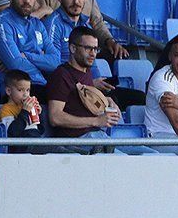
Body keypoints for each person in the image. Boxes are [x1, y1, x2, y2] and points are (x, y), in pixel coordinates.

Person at [44, 0, 145, 110]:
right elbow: (54, 66)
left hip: (87, 86)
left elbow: (92, 61)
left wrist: (98, 81)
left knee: (140, 98)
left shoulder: (86, 25)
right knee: (109, 105)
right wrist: (89, 82)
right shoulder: (53, 23)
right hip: (67, 88)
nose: (76, 1)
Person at [47, 27, 152, 155]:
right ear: (73, 48)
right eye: (88, 48)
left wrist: (107, 100)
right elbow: (55, 117)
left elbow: (84, 100)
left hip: (98, 137)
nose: (93, 54)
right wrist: (96, 121)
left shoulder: (87, 72)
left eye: (96, 49)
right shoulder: (62, 75)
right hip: (78, 141)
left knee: (149, 154)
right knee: (127, 162)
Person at [0, 0, 60, 103]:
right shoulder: (1, 23)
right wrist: (41, 66)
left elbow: (55, 61)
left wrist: (27, 56)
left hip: (38, 87)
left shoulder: (38, 24)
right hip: (12, 93)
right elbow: (16, 64)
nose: (27, 0)